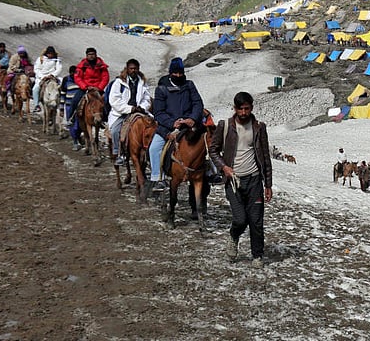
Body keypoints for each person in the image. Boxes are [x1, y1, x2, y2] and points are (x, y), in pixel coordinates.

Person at [209, 91, 273, 268]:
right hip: (233, 181)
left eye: (247, 108)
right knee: (240, 219)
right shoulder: (225, 126)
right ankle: (234, 236)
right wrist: (224, 167)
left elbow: (265, 156)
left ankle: (257, 255)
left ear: (251, 107)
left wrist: (268, 184)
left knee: (256, 220)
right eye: (240, 109)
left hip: (254, 180)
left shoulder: (259, 127)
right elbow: (213, 150)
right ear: (235, 108)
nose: (244, 112)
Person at [149, 57, 203, 191]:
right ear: (170, 73)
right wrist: (172, 123)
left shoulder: (189, 85)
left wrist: (192, 118)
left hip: (189, 124)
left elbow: (197, 103)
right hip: (169, 126)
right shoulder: (161, 89)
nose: (178, 76)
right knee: (154, 148)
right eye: (176, 73)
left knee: (207, 141)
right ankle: (158, 178)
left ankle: (211, 171)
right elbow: (159, 112)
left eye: (180, 73)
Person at [107, 59, 152, 166]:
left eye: (135, 69)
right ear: (127, 69)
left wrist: (142, 107)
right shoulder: (119, 83)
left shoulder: (143, 82)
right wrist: (129, 109)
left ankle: (150, 153)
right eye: (131, 68)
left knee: (152, 127)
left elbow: (147, 98)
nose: (133, 71)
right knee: (115, 130)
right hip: (123, 112)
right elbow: (114, 100)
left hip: (139, 110)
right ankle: (119, 153)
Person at [69, 47, 109, 124]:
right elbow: (77, 77)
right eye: (89, 54)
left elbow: (105, 77)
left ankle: (106, 119)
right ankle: (71, 117)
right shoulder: (82, 66)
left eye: (93, 54)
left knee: (106, 101)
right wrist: (85, 87)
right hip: (85, 88)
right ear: (86, 55)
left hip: (98, 88)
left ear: (96, 55)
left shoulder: (102, 66)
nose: (91, 56)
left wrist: (99, 88)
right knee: (75, 100)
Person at [32, 46, 62, 111]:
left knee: (60, 86)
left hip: (52, 76)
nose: (50, 55)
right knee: (35, 88)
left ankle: (60, 103)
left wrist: (52, 75)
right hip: (41, 77)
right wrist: (43, 76)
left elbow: (59, 69)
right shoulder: (41, 59)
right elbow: (36, 69)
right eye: (49, 53)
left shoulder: (57, 60)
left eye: (51, 54)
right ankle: (36, 105)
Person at [60, 66, 81, 149]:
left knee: (79, 124)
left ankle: (78, 137)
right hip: (69, 105)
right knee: (72, 124)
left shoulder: (80, 80)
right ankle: (75, 141)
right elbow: (63, 93)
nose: (73, 75)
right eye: (72, 73)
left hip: (80, 105)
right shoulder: (66, 80)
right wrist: (61, 107)